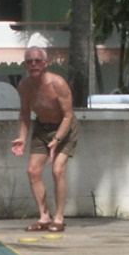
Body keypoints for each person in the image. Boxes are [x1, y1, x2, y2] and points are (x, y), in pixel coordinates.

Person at [10, 45, 78, 233]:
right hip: (42, 128)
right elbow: (24, 114)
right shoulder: (24, 86)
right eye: (30, 61)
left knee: (57, 170)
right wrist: (22, 138)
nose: (34, 64)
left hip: (64, 128)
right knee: (32, 171)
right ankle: (44, 217)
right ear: (25, 65)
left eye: (38, 61)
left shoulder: (58, 83)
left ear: (45, 63)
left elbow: (68, 116)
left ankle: (59, 218)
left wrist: (57, 139)